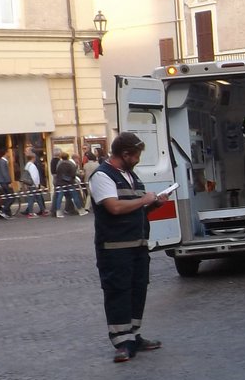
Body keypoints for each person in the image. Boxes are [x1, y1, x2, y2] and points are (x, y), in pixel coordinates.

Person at [89, 132, 166, 363]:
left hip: (137, 245)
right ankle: (122, 341)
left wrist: (153, 205)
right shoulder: (102, 176)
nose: (138, 159)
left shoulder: (131, 176)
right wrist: (144, 200)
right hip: (115, 247)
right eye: (136, 155)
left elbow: (135, 209)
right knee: (118, 291)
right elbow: (114, 207)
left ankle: (133, 335)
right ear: (124, 154)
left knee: (137, 289)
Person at [20, 150, 47, 217]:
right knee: (32, 199)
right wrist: (37, 185)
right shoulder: (32, 166)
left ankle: (43, 210)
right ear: (33, 158)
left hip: (29, 184)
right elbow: (34, 176)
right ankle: (30, 213)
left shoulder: (27, 165)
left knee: (38, 198)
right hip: (33, 185)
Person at [54, 151, 81, 217]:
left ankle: (58, 211)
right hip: (69, 182)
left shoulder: (59, 164)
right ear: (68, 157)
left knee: (59, 197)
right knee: (75, 195)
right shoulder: (70, 164)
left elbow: (57, 173)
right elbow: (73, 173)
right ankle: (80, 210)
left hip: (60, 182)